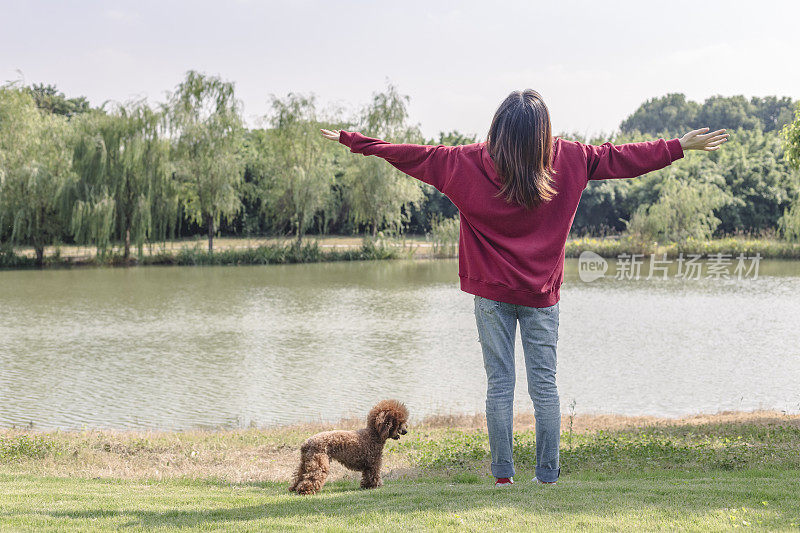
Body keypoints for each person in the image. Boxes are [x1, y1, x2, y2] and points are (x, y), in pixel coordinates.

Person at [320, 89, 728, 488]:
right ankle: (547, 478)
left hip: (492, 297)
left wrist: (356, 142)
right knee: (544, 387)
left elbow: (410, 155)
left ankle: (503, 477)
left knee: (500, 385)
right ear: (543, 132)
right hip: (541, 298)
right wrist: (677, 146)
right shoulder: (570, 159)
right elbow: (624, 158)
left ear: (498, 128)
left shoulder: (464, 163)